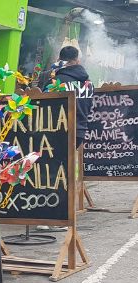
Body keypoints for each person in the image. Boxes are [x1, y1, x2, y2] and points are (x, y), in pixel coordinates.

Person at [39, 45, 94, 231]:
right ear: (77, 60)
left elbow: (43, 105)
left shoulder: (56, 81)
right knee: (64, 170)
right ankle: (59, 215)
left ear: (60, 59)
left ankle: (55, 217)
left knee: (53, 172)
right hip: (79, 132)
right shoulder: (88, 83)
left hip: (57, 132)